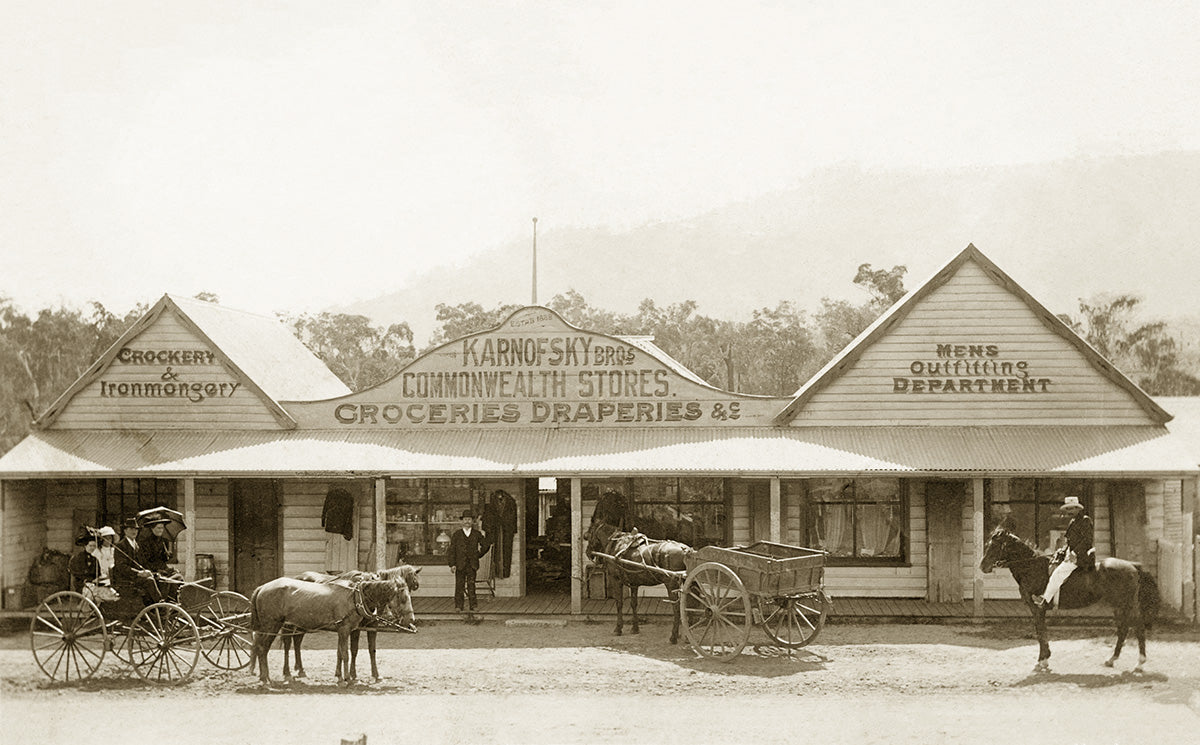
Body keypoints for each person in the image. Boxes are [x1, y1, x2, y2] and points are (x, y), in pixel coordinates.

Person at [1032, 496, 1094, 609]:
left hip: (1081, 555)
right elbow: (1067, 541)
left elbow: (1087, 541)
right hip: (1070, 554)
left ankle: (1045, 600)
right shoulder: (1072, 522)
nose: (1069, 512)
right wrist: (1062, 550)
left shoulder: (1086, 520)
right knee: (1051, 566)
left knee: (1058, 573)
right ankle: (1056, 600)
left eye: (1071, 509)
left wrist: (1074, 553)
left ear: (1078, 509)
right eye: (1067, 509)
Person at [447, 510, 490, 612]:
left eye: (469, 519)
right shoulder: (457, 535)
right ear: (462, 521)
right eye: (465, 519)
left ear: (472, 521)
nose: (467, 521)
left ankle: (473, 606)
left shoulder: (477, 534)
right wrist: (452, 564)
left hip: (472, 564)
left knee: (471, 585)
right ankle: (458, 606)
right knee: (459, 586)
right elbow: (452, 550)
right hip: (460, 564)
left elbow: (486, 545)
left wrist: (478, 555)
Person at [112, 517, 158, 604]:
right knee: (149, 581)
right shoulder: (120, 546)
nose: (134, 532)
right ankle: (159, 605)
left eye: (136, 529)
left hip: (137, 578)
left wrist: (151, 572)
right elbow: (121, 567)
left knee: (159, 578)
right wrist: (138, 573)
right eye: (131, 529)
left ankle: (153, 606)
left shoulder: (137, 545)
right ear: (125, 531)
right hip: (126, 580)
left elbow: (143, 563)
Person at [138, 516, 183, 602]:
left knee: (178, 577)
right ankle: (163, 601)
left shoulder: (164, 541)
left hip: (163, 568)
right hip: (152, 570)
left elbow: (163, 560)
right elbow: (145, 561)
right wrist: (158, 570)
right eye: (158, 528)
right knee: (166, 581)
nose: (161, 530)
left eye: (162, 528)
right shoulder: (145, 543)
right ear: (152, 528)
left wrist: (166, 555)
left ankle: (172, 600)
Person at [68, 528, 100, 592]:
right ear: (85, 546)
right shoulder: (77, 558)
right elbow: (77, 574)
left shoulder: (94, 559)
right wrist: (89, 580)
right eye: (90, 546)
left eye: (94, 546)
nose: (92, 548)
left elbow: (98, 573)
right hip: (80, 585)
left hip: (93, 585)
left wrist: (96, 579)